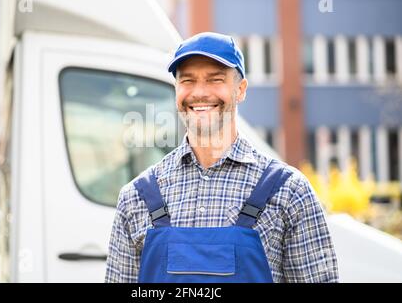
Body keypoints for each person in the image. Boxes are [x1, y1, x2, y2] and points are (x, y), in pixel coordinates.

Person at [105, 32, 339, 283]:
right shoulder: (136, 197)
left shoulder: (290, 191)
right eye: (188, 81)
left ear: (241, 90)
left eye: (215, 80)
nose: (200, 93)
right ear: (176, 90)